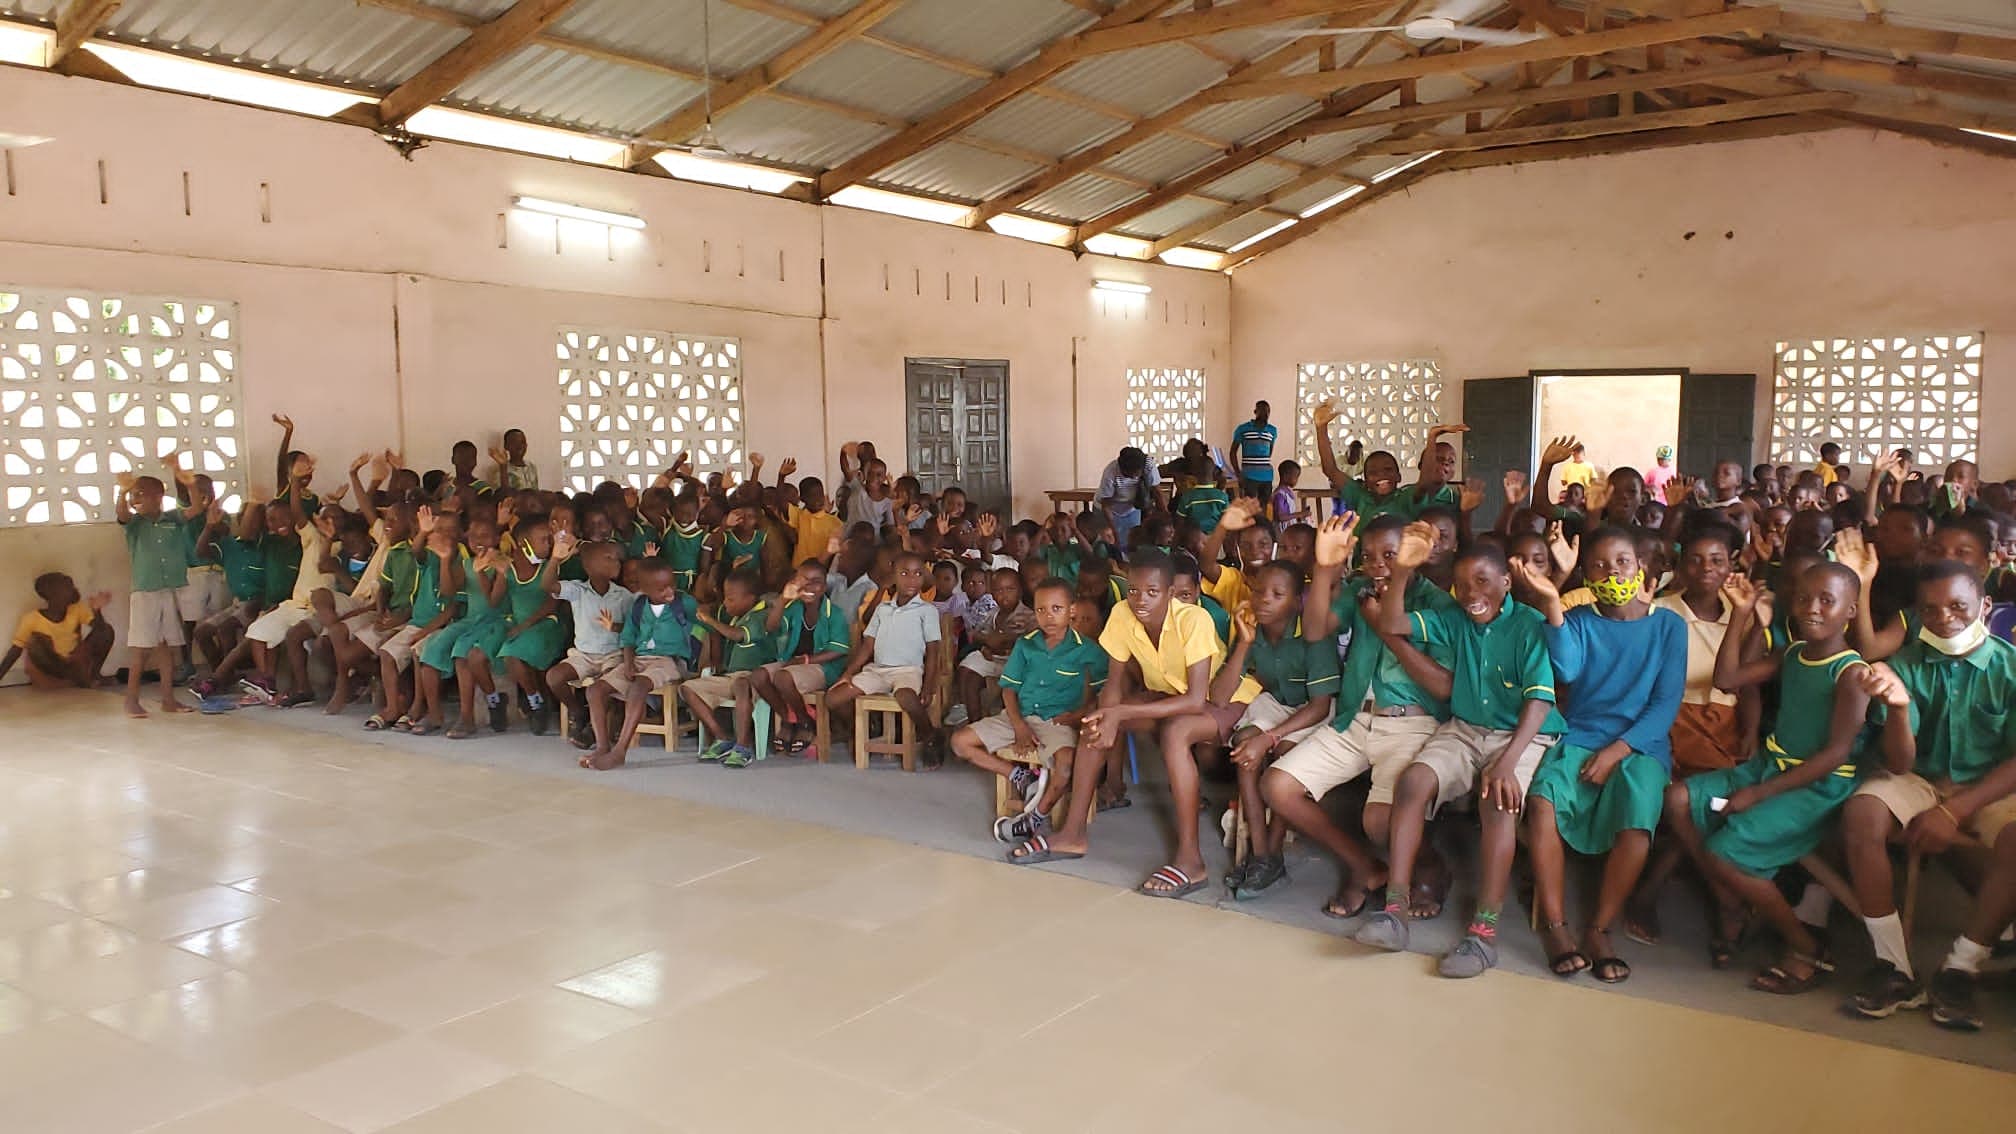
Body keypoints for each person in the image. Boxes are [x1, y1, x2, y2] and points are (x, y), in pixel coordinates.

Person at [1653, 564, 1872, 993]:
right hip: (1771, 768)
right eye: (1804, 598)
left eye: (1827, 601)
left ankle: (1806, 945)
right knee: (1676, 798)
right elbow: (1727, 679)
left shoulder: (1851, 673)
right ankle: (1730, 900)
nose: (1812, 608)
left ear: (1851, 610)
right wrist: (1740, 614)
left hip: (1816, 786)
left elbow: (1835, 755)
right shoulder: (1793, 653)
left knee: (1726, 852)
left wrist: (1759, 792)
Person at [1357, 533, 1564, 978]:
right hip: (1466, 729)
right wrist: (1403, 570)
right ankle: (1396, 907)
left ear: (1507, 582)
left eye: (1483, 582)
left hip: (1522, 735)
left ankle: (1484, 933)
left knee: (1498, 800)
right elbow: (1391, 624)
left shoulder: (1528, 624)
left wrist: (1507, 761)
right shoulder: (1453, 617)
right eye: (1463, 585)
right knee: (1412, 782)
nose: (1472, 594)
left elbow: (1540, 702)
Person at [1005, 551, 1255, 899]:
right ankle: (1073, 834)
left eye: (1152, 592)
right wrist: (1108, 717)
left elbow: (1198, 700)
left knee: (1175, 734)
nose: (1141, 600)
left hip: (1223, 701)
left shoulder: (1194, 620)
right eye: (1134, 590)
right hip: (1168, 695)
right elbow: (1113, 684)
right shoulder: (1123, 615)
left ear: (1169, 593)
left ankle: (1191, 861)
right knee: (1096, 721)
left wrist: (1120, 713)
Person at [1844, 562, 2016, 1030]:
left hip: (1991, 785)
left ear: (1985, 606)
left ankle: (1961, 968)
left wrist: (1955, 809)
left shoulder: (2011, 668)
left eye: (1959, 607)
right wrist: (1898, 708)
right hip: (1920, 777)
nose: (1945, 619)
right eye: (1930, 610)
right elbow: (1900, 764)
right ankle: (1894, 966)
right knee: (1863, 813)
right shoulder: (1905, 666)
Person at [1512, 526, 1686, 984]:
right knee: (1544, 801)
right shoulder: (1583, 621)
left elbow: (1664, 705)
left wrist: (1617, 751)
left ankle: (1599, 928)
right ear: (1586, 575)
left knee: (1639, 812)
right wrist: (1552, 604)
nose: (1613, 573)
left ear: (1641, 567)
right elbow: (1566, 668)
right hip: (1581, 735)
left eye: (1622, 562)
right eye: (1600, 566)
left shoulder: (1668, 626)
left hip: (1640, 744)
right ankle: (1556, 927)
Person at [1260, 514, 1449, 919]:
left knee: (1380, 821)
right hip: (1353, 718)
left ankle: (1431, 867)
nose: (1379, 564)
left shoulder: (1437, 603)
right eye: (1369, 556)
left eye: (1391, 555)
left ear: (1414, 556)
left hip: (1410, 722)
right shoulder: (1360, 590)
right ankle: (1365, 867)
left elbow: (1443, 687)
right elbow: (1313, 631)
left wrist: (1383, 627)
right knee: (1277, 786)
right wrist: (1325, 568)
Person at [950, 577, 1105, 842]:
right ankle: (1020, 776)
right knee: (959, 742)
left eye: (1056, 609)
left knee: (1067, 765)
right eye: (1041, 610)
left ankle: (1034, 818)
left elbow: (1104, 692)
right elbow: (1009, 689)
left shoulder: (1089, 651)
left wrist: (1077, 716)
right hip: (1017, 715)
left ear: (1071, 611)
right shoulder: (1026, 644)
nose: (1048, 616)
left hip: (1056, 722)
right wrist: (1019, 725)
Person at [1220, 560, 1339, 899]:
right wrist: (1243, 643)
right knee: (1244, 746)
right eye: (1258, 591)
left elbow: (1319, 706)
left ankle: (1272, 856)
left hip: (1312, 710)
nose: (1264, 600)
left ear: (1298, 600)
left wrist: (1271, 738)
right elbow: (1220, 695)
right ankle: (1261, 854)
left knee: (1284, 756)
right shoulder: (1251, 627)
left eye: (1277, 594)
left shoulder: (1313, 634)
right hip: (1277, 703)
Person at [824, 551, 944, 762]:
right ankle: (861, 731)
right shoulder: (882, 609)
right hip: (877, 671)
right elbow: (867, 645)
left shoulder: (927, 611)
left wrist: (929, 685)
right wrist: (848, 674)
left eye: (918, 573)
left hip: (908, 671)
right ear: (894, 576)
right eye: (905, 573)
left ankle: (929, 734)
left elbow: (934, 651)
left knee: (906, 697)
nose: (912, 579)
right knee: (833, 698)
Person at [584, 561, 699, 771]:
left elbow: (706, 624)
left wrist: (709, 658)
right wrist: (628, 664)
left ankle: (620, 751)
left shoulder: (685, 603)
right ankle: (602, 746)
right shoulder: (638, 606)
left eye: (671, 584)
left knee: (638, 687)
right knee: (594, 690)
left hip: (669, 660)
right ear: (644, 589)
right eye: (661, 588)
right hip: (638, 659)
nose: (669, 591)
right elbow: (628, 638)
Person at [417, 517, 508, 739]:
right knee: (432, 649)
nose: (479, 541)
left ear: (496, 538)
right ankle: (435, 714)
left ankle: (466, 718)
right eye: (474, 536)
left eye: (485, 536)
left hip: (496, 621)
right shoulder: (466, 564)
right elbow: (448, 591)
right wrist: (446, 560)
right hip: (470, 621)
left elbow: (494, 602)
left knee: (462, 652)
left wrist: (481, 572)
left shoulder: (503, 563)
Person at [751, 561, 853, 757]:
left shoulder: (835, 613)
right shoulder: (794, 607)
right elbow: (771, 627)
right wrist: (782, 599)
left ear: (824, 587)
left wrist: (805, 660)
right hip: (792, 663)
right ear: (794, 582)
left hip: (822, 667)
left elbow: (839, 650)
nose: (808, 586)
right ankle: (791, 719)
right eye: (803, 581)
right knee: (757, 676)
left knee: (782, 677)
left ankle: (806, 722)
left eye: (816, 582)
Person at [117, 470, 195, 718]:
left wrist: (189, 483)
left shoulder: (172, 518)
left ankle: (168, 699)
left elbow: (195, 510)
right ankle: (131, 700)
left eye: (142, 494)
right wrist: (121, 492)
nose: (136, 499)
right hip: (145, 592)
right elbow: (121, 515)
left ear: (159, 496)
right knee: (141, 647)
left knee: (165, 646)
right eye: (134, 495)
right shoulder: (135, 524)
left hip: (168, 589)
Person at [544, 536, 634, 749]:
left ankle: (595, 730)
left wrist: (615, 627)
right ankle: (578, 711)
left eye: (616, 558)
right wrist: (555, 559)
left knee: (604, 684)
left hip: (613, 655)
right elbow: (547, 585)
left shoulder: (624, 596)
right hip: (584, 655)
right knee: (554, 677)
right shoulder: (578, 591)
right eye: (609, 558)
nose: (616, 562)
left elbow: (633, 631)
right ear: (589, 566)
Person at [684, 568, 777, 767]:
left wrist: (710, 619)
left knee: (742, 684)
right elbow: (717, 630)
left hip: (755, 678)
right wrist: (704, 616)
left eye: (731, 599)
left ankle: (743, 746)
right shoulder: (737, 617)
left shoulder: (761, 616)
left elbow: (737, 635)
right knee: (688, 688)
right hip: (731, 677)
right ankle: (722, 737)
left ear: (751, 598)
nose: (726, 603)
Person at [494, 514, 565, 735]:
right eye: (544, 540)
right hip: (520, 625)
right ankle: (536, 701)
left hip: (546, 624)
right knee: (501, 650)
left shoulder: (549, 568)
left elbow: (551, 605)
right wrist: (499, 573)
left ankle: (536, 703)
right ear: (524, 544)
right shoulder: (511, 570)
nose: (549, 544)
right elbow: (495, 601)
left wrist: (524, 626)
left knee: (512, 655)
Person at [954, 568, 1035, 727]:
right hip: (992, 657)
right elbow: (977, 634)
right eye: (998, 590)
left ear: (1020, 591)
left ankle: (1009, 722)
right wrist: (988, 642)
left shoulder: (1028, 615)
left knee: (1013, 685)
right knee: (969, 674)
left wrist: (1006, 639)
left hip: (1015, 661)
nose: (1004, 595)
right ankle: (974, 721)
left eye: (1010, 589)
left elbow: (1033, 639)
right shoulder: (993, 613)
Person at [3, 574, 112, 689]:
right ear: (53, 595)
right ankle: (77, 679)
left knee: (107, 630)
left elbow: (101, 631)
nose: (75, 590)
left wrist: (96, 610)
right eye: (69, 587)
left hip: (74, 662)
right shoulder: (31, 619)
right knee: (35, 641)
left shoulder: (77, 609)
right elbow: (15, 651)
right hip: (52, 665)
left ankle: (92, 677)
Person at [1096, 446, 1160, 551]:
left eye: (1138, 473)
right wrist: (1115, 532)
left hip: (1131, 509)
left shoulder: (1148, 464)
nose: (1136, 476)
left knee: (1132, 544)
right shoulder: (1110, 472)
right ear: (1123, 470)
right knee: (1110, 546)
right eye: (1132, 474)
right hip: (1108, 510)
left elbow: (1157, 492)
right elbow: (1106, 506)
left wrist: (1166, 515)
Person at [1230, 401, 1278, 499]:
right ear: (1255, 411)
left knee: (1263, 507)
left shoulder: (1272, 430)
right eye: (1262, 410)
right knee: (1249, 508)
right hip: (1248, 476)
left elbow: (1269, 452)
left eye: (1267, 411)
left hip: (1267, 477)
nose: (1265, 414)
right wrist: (1238, 473)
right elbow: (1233, 452)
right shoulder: (1243, 429)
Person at [1271, 459, 1305, 526]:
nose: (1296, 480)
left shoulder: (1288, 492)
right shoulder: (1280, 494)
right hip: (1282, 532)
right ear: (1286, 476)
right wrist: (1300, 514)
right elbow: (1280, 517)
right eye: (1295, 477)